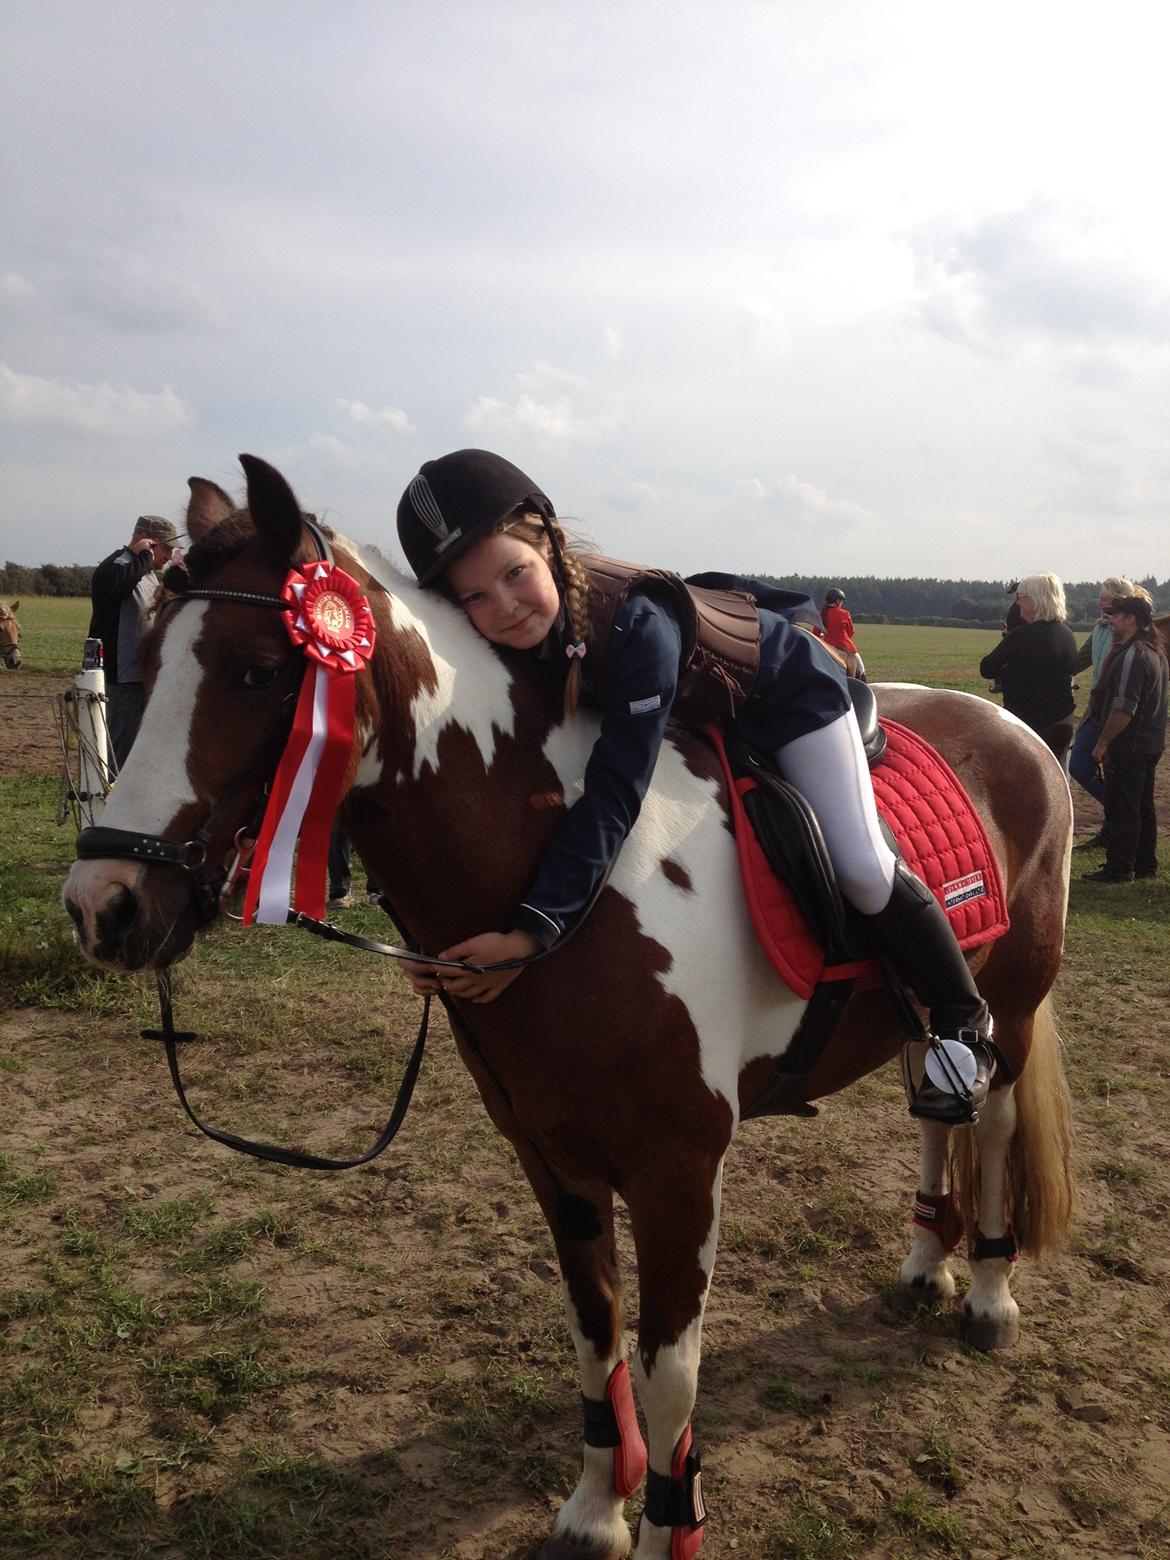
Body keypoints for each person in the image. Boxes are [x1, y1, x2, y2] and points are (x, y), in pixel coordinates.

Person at [395, 449, 996, 1125]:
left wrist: (535, 934)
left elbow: (617, 787)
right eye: (475, 596)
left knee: (860, 866)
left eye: (515, 573)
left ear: (549, 542)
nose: (503, 607)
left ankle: (963, 1020)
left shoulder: (635, 623)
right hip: (697, 708)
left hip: (789, 699)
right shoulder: (510, 635)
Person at [1080, 595, 1167, 884]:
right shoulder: (1155, 651)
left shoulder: (1133, 654)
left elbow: (1123, 708)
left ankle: (1119, 868)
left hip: (1129, 744)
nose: (1111, 620)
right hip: (1149, 743)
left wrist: (1102, 743)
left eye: (1116, 616)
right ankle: (1144, 863)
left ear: (1131, 619)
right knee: (1142, 806)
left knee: (1122, 807)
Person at [88, 515, 177, 767]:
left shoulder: (147, 574)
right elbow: (117, 589)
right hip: (121, 678)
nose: (169, 556)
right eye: (166, 548)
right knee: (121, 752)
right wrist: (144, 556)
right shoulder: (116, 566)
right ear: (144, 540)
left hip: (141, 677)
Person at [978, 573, 1078, 763]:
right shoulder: (1067, 634)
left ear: (1035, 601)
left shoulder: (1019, 637)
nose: (1017, 605)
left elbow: (987, 669)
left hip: (1030, 725)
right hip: (1062, 721)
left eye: (1021, 599)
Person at [1069, 576, 1136, 848]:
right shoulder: (1098, 630)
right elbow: (1077, 661)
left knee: (1108, 769)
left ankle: (1116, 825)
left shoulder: (1131, 634)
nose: (1100, 603)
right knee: (1080, 766)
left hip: (1117, 713)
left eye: (1105, 598)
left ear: (1119, 602)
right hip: (1095, 710)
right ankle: (1119, 817)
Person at [820, 588, 866, 680]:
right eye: (841, 601)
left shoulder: (820, 614)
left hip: (826, 646)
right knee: (861, 670)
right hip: (845, 645)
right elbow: (851, 631)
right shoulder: (844, 613)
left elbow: (816, 633)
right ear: (838, 601)